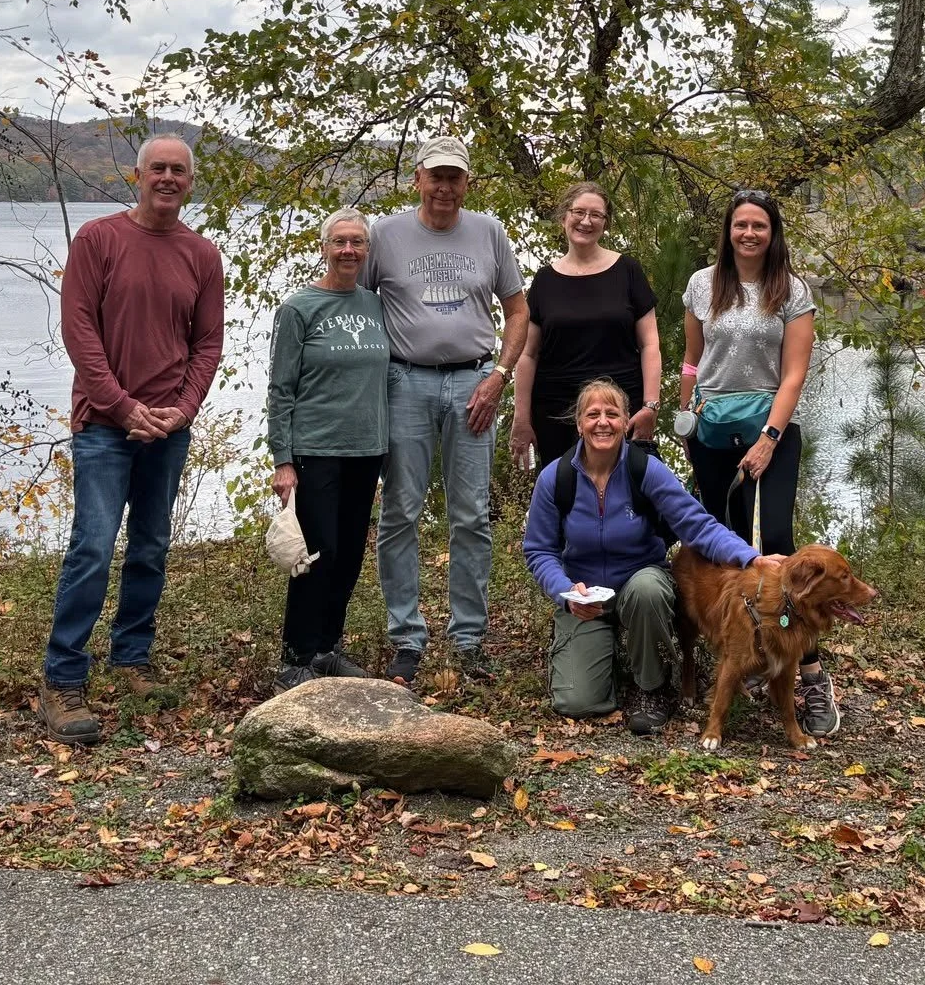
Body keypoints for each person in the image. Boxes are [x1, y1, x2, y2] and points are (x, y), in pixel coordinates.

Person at [39, 135, 224, 746]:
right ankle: (63, 678)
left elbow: (206, 345)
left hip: (167, 428)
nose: (167, 178)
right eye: (158, 169)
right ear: (136, 176)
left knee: (150, 545)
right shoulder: (98, 240)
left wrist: (182, 409)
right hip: (102, 426)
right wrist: (122, 409)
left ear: (190, 182)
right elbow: (79, 331)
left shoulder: (201, 254)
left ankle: (131, 658)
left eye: (179, 170)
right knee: (92, 547)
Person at [523, 379, 780, 733]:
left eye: (612, 414)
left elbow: (698, 526)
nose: (602, 422)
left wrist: (750, 558)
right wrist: (564, 593)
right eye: (593, 414)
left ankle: (651, 686)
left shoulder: (644, 470)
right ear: (579, 423)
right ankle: (602, 654)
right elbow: (539, 550)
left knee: (648, 589)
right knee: (576, 703)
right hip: (583, 594)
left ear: (626, 421)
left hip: (639, 582)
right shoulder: (556, 478)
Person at [363, 135, 526, 686]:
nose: (444, 187)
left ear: (467, 183)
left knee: (471, 515)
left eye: (455, 177)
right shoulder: (383, 235)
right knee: (400, 512)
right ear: (418, 179)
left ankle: (469, 639)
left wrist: (499, 375)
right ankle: (406, 638)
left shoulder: (489, 232)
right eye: (436, 176)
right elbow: (358, 306)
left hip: (473, 383)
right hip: (404, 381)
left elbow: (518, 309)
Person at [677, 189, 836, 735]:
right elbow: (693, 360)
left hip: (771, 425)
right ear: (728, 231)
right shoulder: (702, 284)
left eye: (759, 226)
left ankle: (808, 671)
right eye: (740, 225)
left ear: (773, 233)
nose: (749, 234)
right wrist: (684, 414)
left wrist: (769, 436)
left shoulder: (791, 290)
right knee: (724, 545)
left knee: (781, 544)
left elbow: (793, 373)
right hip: (712, 428)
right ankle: (739, 652)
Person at [266, 209, 389, 691]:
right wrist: (283, 459)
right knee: (318, 554)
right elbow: (281, 388)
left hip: (366, 450)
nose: (348, 251)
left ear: (367, 251)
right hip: (315, 449)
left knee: (350, 556)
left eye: (358, 242)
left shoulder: (375, 305)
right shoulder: (298, 310)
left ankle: (325, 650)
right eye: (339, 242)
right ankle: (293, 658)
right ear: (323, 247)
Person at [510, 181, 662, 472]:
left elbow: (650, 344)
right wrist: (521, 419)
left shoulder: (628, 271)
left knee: (626, 498)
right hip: (555, 414)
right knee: (564, 499)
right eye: (578, 212)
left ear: (606, 223)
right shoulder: (544, 281)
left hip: (618, 411)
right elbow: (528, 354)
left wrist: (650, 406)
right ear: (564, 216)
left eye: (596, 215)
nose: (586, 221)